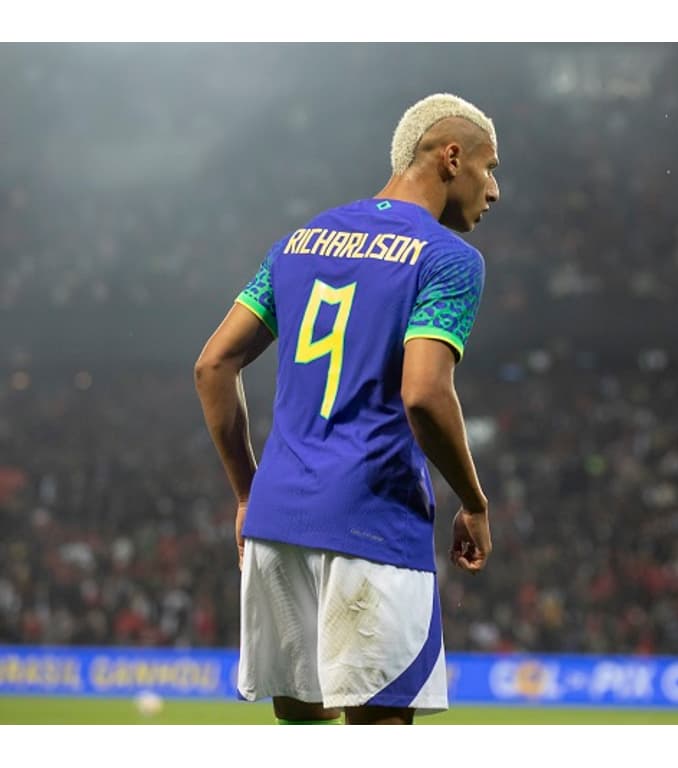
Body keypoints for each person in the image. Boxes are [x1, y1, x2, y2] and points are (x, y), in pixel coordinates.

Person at [194, 93, 499, 725]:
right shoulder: (449, 260)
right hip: (372, 526)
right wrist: (474, 502)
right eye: (488, 167)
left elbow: (212, 365)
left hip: (278, 523)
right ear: (451, 157)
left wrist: (249, 494)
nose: (493, 190)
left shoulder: (297, 244)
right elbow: (424, 392)